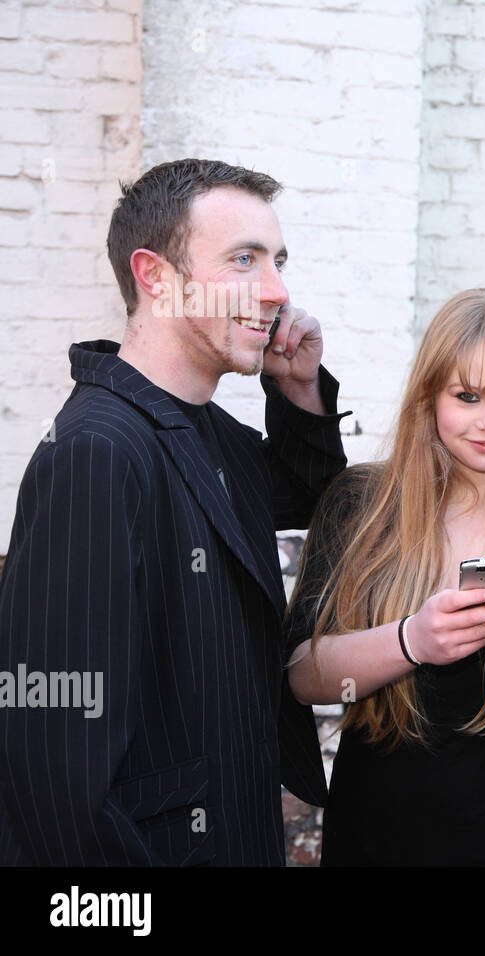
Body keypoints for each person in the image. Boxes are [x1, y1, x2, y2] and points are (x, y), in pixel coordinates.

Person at [0, 159, 346, 865]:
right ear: (156, 276)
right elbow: (56, 765)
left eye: (277, 261)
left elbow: (317, 503)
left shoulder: (210, 433)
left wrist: (299, 387)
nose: (277, 291)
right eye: (243, 260)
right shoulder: (95, 451)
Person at [285, 289, 485, 865]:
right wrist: (411, 641)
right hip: (374, 833)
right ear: (430, 397)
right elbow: (302, 675)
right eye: (467, 396)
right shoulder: (362, 503)